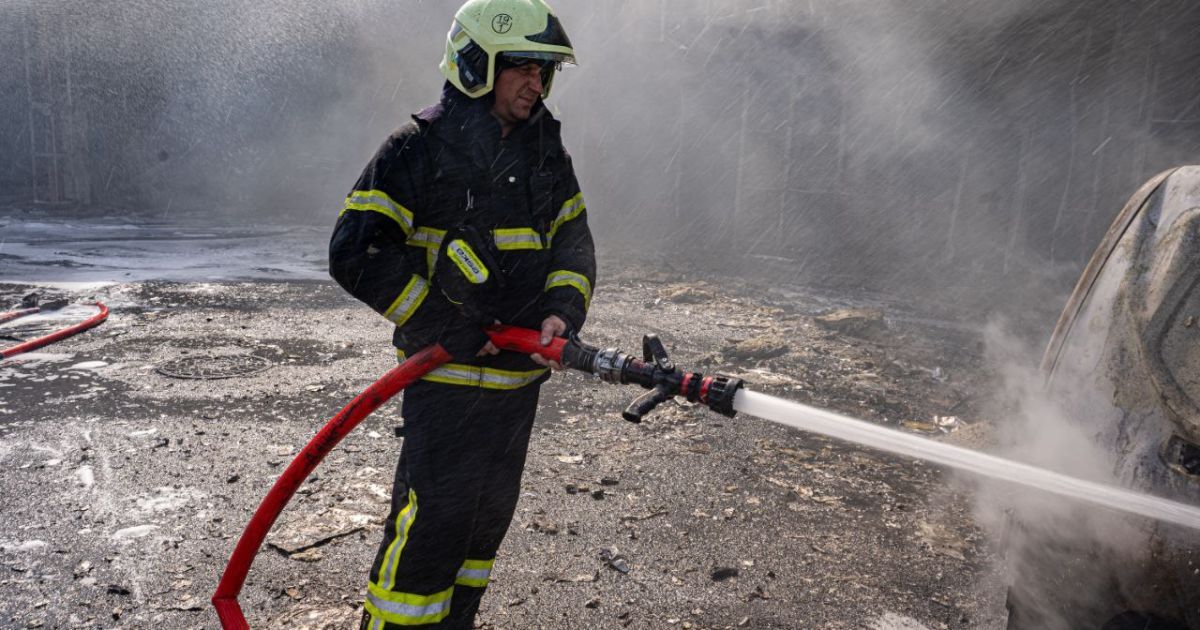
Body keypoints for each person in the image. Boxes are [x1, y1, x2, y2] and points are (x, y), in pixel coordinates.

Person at [327, 0, 595, 627]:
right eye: (523, 66)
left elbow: (573, 244)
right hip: (445, 380)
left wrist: (562, 311)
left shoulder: (546, 157)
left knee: (482, 534)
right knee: (430, 533)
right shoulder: (417, 151)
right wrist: (439, 323)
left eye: (543, 70)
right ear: (477, 63)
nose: (537, 83)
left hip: (517, 385)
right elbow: (356, 251)